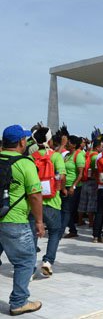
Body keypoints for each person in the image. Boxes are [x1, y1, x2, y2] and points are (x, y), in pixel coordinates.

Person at [0, 125, 45, 315]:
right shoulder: (25, 163)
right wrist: (38, 222)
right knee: (26, 260)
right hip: (14, 219)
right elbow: (35, 196)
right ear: (21, 142)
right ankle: (19, 302)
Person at [27, 128, 65, 278]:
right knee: (55, 232)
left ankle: (30, 269)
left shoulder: (31, 157)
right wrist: (60, 188)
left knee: (33, 235)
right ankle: (48, 262)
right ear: (49, 141)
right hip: (52, 202)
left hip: (33, 203)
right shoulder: (55, 156)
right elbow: (61, 176)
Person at [62, 136, 86, 239]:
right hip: (64, 186)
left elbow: (80, 174)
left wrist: (73, 186)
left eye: (69, 143)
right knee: (65, 209)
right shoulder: (67, 155)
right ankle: (72, 229)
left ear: (74, 145)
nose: (67, 144)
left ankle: (66, 230)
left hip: (73, 187)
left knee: (67, 209)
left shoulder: (78, 155)